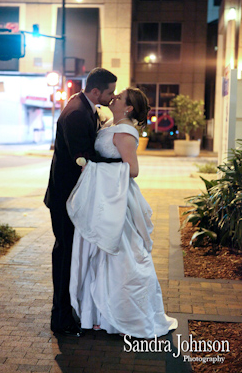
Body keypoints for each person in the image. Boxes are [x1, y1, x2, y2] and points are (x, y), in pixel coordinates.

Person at [67, 88, 178, 338]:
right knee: (100, 256)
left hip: (116, 201)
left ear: (128, 108)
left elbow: (133, 169)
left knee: (119, 256)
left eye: (121, 97)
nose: (115, 97)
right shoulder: (111, 124)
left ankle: (116, 317)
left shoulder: (125, 131)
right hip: (105, 197)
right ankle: (97, 316)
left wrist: (94, 168)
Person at [44, 67, 118, 337]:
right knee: (64, 254)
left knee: (67, 253)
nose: (114, 96)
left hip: (71, 196)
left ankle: (66, 311)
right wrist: (119, 162)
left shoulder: (85, 106)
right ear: (96, 91)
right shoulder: (77, 112)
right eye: (110, 92)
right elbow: (84, 158)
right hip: (66, 197)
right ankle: (60, 317)